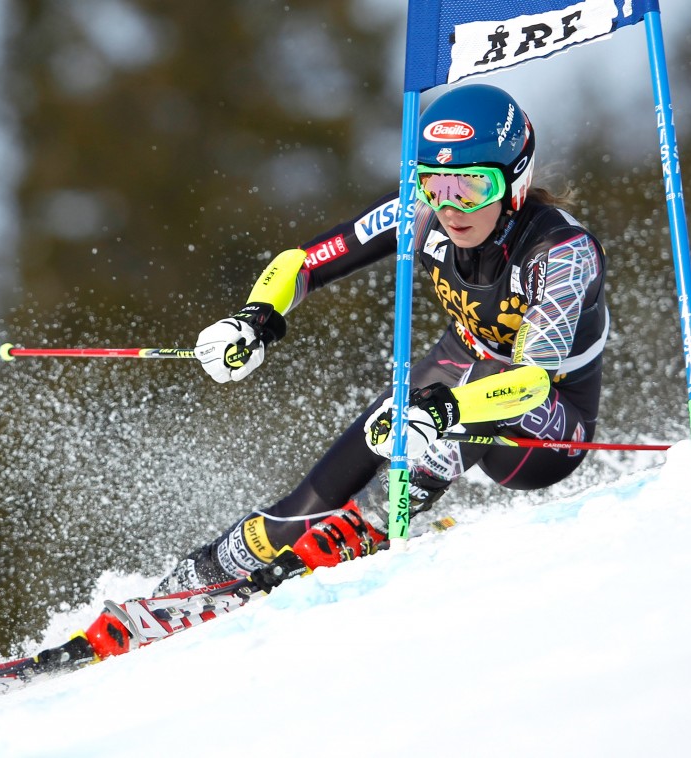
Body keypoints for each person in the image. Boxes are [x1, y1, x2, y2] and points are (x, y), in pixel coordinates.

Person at [157, 83, 609, 594]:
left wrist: (446, 411)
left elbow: (530, 383)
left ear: (514, 182)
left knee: (479, 379)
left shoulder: (561, 252)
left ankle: (369, 524)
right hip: (456, 374)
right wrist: (256, 317)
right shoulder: (418, 212)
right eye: (434, 185)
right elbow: (304, 262)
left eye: (471, 187)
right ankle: (190, 582)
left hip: (546, 429)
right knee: (326, 483)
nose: (450, 207)